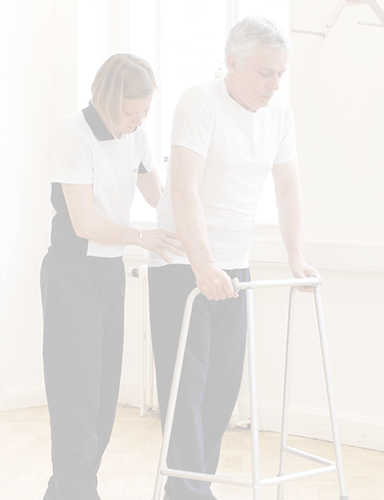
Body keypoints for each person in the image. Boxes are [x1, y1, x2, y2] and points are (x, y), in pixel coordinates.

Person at [148, 16, 319, 500]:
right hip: (182, 263)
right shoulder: (200, 101)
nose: (273, 84)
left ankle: (186, 491)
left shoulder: (279, 115)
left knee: (221, 392)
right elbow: (183, 188)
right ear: (231, 64)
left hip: (233, 266)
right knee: (186, 390)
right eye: (264, 73)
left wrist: (296, 258)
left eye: (280, 74)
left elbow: (288, 191)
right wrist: (203, 264)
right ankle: (190, 493)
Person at [41, 53, 183, 500]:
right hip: (72, 276)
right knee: (75, 402)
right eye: (129, 112)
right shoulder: (72, 134)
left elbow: (160, 199)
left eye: (144, 112)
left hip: (109, 275)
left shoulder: (136, 135)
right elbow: (85, 223)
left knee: (101, 404)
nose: (137, 122)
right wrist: (143, 237)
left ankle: (62, 493)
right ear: (105, 97)